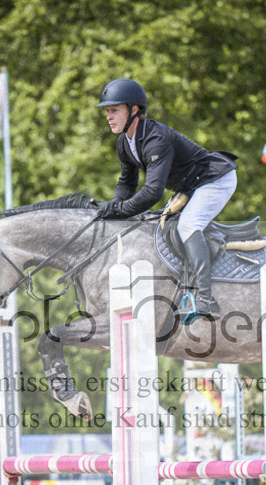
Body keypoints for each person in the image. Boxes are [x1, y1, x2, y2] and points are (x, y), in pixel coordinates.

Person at [94, 78, 237, 319]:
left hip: (215, 179)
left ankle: (204, 298)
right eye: (107, 111)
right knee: (166, 226)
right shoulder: (124, 143)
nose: (109, 116)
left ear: (134, 110)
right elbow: (127, 183)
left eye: (114, 110)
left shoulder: (156, 139)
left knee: (188, 225)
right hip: (192, 186)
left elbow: (152, 193)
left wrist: (118, 210)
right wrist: (115, 208)